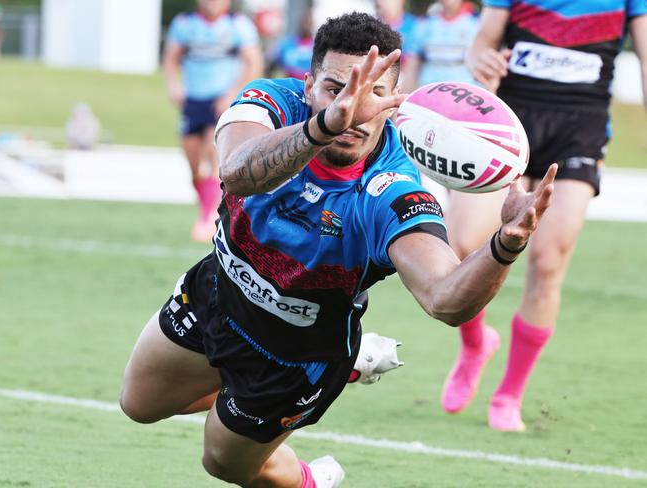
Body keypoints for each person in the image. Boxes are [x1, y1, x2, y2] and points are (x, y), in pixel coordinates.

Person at [120, 13, 556, 487]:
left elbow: (445, 300)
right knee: (138, 406)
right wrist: (321, 127)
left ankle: (313, 479)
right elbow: (235, 171)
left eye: (371, 92)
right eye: (336, 88)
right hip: (218, 295)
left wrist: (506, 243)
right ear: (307, 85)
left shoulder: (393, 192)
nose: (353, 107)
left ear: (393, 101)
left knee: (223, 463)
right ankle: (288, 382)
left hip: (292, 357)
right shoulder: (273, 100)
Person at [440, 0, 647, 431]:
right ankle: (476, 343)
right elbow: (482, 42)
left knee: (548, 262)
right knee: (460, 244)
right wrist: (481, 57)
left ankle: (509, 394)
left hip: (580, 130)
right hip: (509, 125)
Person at [163, 0, 263, 242]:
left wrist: (233, 93)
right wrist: (174, 86)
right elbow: (170, 58)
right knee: (194, 166)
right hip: (192, 101)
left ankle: (208, 218)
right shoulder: (185, 24)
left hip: (221, 101)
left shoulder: (238, 25)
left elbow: (254, 62)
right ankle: (208, 207)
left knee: (212, 156)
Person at [402, 0, 479, 93]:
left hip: (465, 96)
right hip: (429, 96)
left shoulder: (477, 22)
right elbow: (411, 66)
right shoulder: (424, 24)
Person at [267, 9, 314, 80]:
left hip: (310, 87)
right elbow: (271, 64)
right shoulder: (287, 44)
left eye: (309, 23)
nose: (306, 26)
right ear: (299, 23)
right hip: (289, 87)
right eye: (304, 22)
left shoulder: (317, 45)